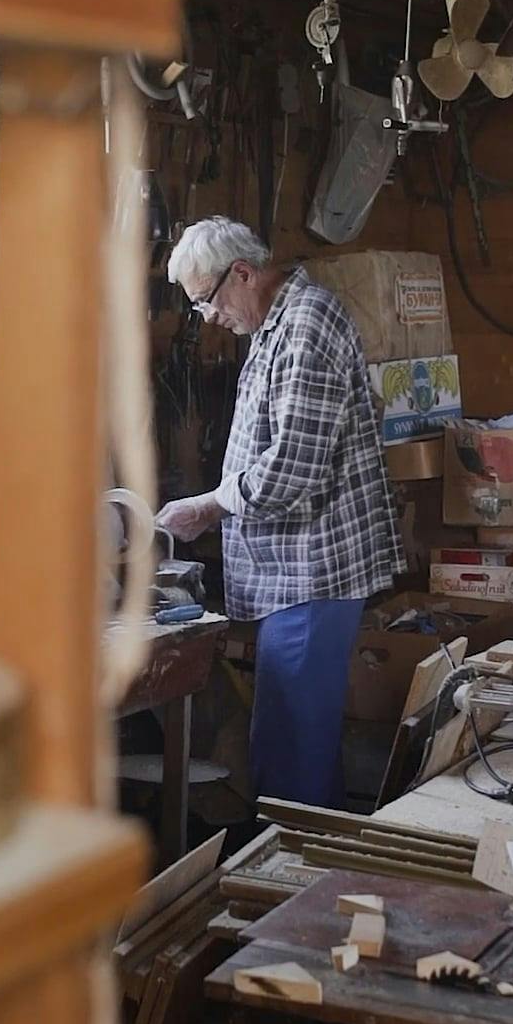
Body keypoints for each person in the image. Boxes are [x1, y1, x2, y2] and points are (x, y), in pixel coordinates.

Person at [158, 217, 403, 807]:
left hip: (312, 575)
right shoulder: (274, 325)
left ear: (242, 273)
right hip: (287, 576)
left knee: (294, 752)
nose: (207, 319)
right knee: (284, 740)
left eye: (206, 302)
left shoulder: (307, 324)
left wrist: (209, 506)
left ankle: (296, 878)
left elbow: (293, 465)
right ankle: (291, 866)